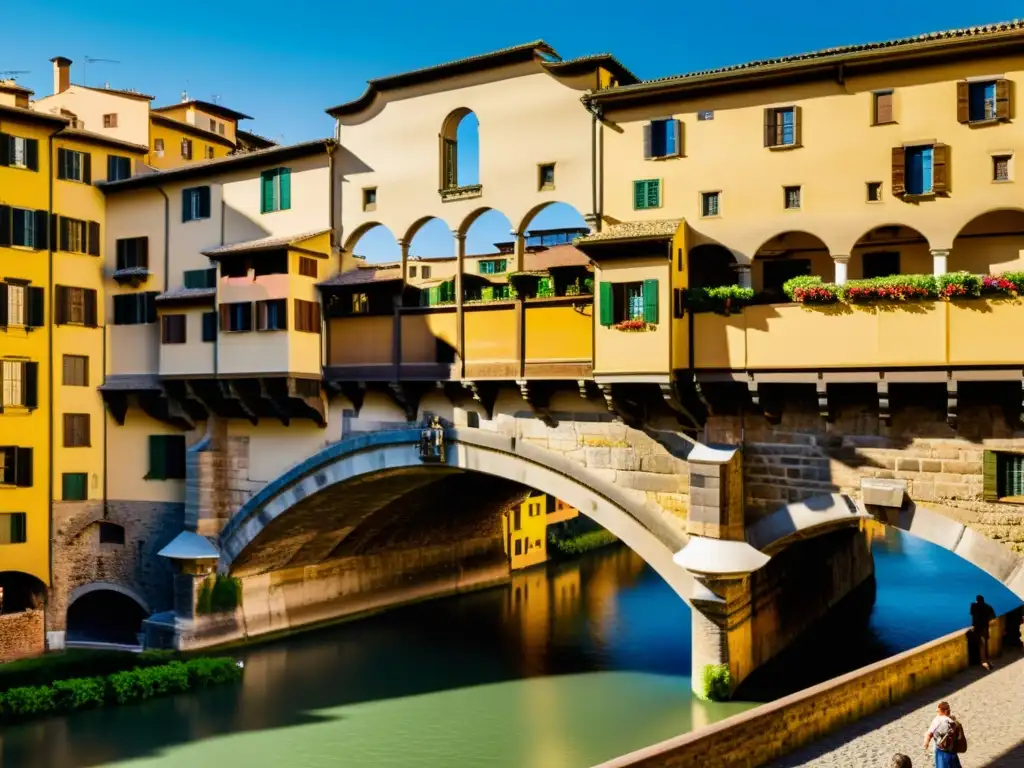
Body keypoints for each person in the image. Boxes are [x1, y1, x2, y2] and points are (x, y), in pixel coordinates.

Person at [923, 701, 963, 768]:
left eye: (938, 711)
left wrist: (926, 743)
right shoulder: (953, 721)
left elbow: (929, 734)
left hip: (941, 752)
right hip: (952, 751)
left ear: (942, 711)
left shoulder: (937, 720)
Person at [970, 594, 997, 670]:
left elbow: (972, 613)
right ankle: (988, 661)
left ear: (977, 599)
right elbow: (993, 616)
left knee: (978, 643)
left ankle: (980, 661)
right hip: (985, 626)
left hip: (977, 627)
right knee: (986, 645)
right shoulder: (988, 606)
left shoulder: (973, 605)